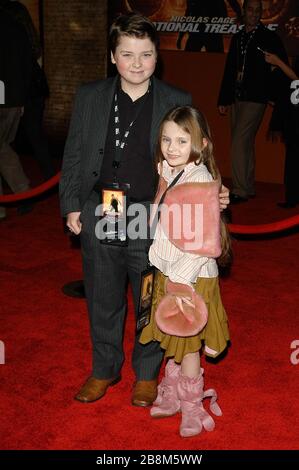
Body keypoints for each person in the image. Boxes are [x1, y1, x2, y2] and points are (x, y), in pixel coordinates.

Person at [59, 13, 230, 407]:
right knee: (103, 295)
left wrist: (215, 195)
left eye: (146, 54)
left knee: (150, 300)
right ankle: (104, 369)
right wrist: (70, 204)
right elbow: (74, 154)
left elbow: (195, 158)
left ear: (157, 57)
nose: (137, 63)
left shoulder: (176, 100)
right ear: (112, 57)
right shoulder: (90, 96)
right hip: (102, 208)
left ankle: (147, 375)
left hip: (154, 216)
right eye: (127, 54)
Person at [139, 105, 230, 437]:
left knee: (189, 344)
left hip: (190, 275)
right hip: (169, 270)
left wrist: (180, 280)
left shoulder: (200, 180)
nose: (172, 147)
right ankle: (173, 392)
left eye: (181, 140)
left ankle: (191, 404)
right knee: (171, 338)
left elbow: (204, 241)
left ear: (202, 143)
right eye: (166, 139)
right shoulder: (173, 171)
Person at [218, 0, 288, 203]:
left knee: (239, 141)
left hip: (257, 98)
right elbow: (230, 68)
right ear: (244, 11)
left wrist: (274, 95)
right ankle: (248, 186)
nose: (254, 14)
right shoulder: (238, 37)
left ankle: (239, 189)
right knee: (243, 142)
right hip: (236, 96)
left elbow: (280, 66)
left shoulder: (269, 37)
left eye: (258, 11)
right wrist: (223, 98)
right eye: (250, 10)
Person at [0, 2, 33, 219]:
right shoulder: (17, 27)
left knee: (1, 148)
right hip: (14, 98)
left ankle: (21, 193)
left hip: (3, 97)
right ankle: (21, 193)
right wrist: (21, 101)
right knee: (2, 147)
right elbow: (26, 65)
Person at [265, 53, 299, 208]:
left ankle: (292, 198)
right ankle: (292, 198)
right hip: (293, 117)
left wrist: (278, 62)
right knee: (292, 159)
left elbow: (296, 78)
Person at [177, 0, 242, 53]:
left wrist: (239, 14)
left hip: (211, 29)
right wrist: (181, 35)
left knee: (216, 58)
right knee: (189, 57)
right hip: (201, 30)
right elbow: (188, 11)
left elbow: (188, 12)